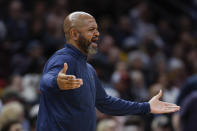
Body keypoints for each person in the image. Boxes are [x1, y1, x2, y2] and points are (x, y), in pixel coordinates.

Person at [36, 11, 180, 131]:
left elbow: (106, 103)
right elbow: (45, 81)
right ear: (74, 34)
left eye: (97, 29)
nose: (97, 34)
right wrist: (56, 81)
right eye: (91, 30)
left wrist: (146, 107)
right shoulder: (63, 58)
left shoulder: (89, 69)